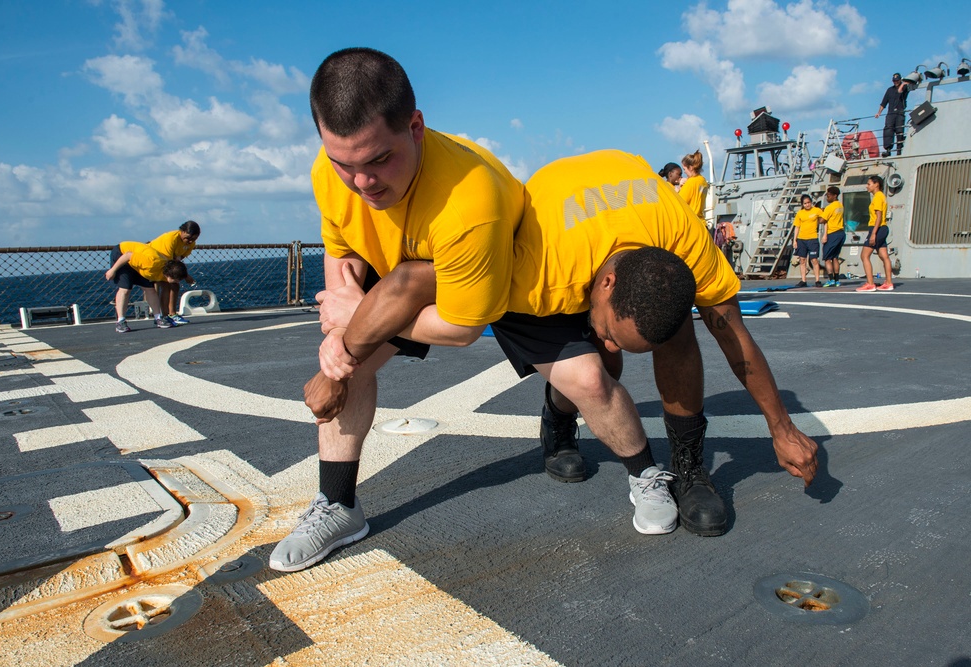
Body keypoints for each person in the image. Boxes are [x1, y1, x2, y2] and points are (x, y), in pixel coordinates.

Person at [311, 150, 819, 541]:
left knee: (672, 335)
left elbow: (734, 336)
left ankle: (688, 468)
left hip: (622, 239)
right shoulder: (532, 269)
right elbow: (413, 281)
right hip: (552, 244)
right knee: (596, 365)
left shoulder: (685, 245)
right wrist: (347, 349)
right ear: (603, 288)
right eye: (606, 326)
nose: (601, 336)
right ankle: (557, 421)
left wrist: (784, 428)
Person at [268, 48, 525, 573]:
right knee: (354, 352)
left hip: (501, 274)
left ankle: (561, 416)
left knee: (583, 376)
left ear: (415, 126)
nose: (362, 183)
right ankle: (338, 506)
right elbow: (340, 253)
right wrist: (340, 338)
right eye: (345, 163)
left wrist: (359, 314)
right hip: (408, 262)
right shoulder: (330, 169)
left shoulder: (468, 202)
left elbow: (460, 327)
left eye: (379, 159)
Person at [104, 241, 188, 332]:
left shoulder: (161, 270)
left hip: (139, 265)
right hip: (123, 255)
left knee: (150, 290)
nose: (177, 282)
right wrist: (113, 270)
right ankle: (120, 321)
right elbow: (128, 255)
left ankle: (158, 318)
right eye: (177, 279)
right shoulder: (151, 263)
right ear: (169, 275)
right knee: (125, 289)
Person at [148, 220, 200, 325]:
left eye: (193, 239)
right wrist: (186, 276)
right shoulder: (171, 239)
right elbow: (169, 263)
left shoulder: (190, 244)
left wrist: (183, 274)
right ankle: (166, 315)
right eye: (188, 238)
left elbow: (178, 259)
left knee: (174, 286)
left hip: (167, 262)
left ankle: (171, 314)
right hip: (154, 261)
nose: (190, 241)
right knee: (168, 285)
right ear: (182, 231)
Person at [856, 175, 894, 292]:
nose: (867, 186)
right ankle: (888, 283)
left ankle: (870, 283)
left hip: (877, 228)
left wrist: (873, 234)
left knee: (864, 255)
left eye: (869, 184)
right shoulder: (882, 196)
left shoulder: (877, 197)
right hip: (883, 228)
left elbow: (878, 216)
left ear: (876, 184)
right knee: (884, 255)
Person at [790, 194, 823, 288]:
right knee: (802, 260)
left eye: (808, 202)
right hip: (801, 239)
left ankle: (817, 280)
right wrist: (795, 240)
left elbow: (824, 219)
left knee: (814, 260)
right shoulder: (800, 213)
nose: (807, 205)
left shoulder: (816, 210)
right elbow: (797, 227)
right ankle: (803, 280)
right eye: (805, 203)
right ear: (802, 204)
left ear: (811, 202)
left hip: (812, 238)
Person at [874, 73, 908, 157]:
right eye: (894, 80)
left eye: (897, 80)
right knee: (888, 130)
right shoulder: (889, 90)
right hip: (891, 113)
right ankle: (888, 150)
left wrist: (903, 83)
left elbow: (900, 91)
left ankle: (899, 151)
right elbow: (883, 103)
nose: (895, 82)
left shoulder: (905, 88)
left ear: (900, 80)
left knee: (899, 132)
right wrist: (879, 113)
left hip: (900, 113)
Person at [819, 186, 845, 287]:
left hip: (832, 233)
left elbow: (822, 221)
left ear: (835, 196)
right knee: (835, 257)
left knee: (827, 258)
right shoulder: (840, 205)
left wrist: (820, 213)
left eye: (829, 196)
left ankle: (831, 279)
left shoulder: (830, 207)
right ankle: (837, 279)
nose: (827, 198)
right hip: (841, 233)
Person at [678, 150, 709, 225]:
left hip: (692, 223)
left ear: (691, 168)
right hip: (702, 222)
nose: (684, 172)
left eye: (684, 169)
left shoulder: (691, 182)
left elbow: (679, 203)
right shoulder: (702, 180)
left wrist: (680, 187)